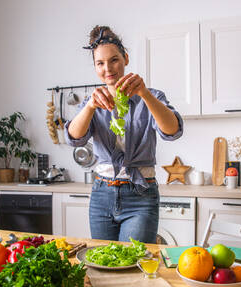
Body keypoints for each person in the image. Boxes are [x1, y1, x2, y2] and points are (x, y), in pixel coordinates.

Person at [65, 25, 183, 243]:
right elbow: (74, 137)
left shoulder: (152, 96)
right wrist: (90, 106)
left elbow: (172, 130)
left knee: (133, 262)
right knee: (104, 262)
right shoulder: (92, 101)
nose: (108, 68)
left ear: (125, 58)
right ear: (95, 67)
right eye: (100, 63)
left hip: (141, 194)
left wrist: (144, 94)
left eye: (114, 60)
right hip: (102, 193)